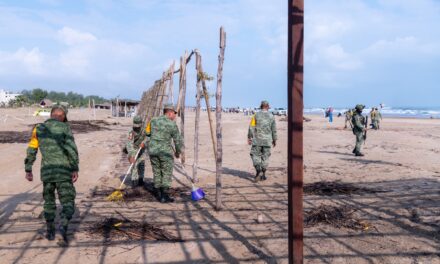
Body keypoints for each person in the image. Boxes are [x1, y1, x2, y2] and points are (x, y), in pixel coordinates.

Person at [24, 104, 79, 244]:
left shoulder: (38, 128)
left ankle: (50, 232)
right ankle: (63, 228)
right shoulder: (65, 128)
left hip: (47, 173)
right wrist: (74, 168)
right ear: (62, 116)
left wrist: (28, 169)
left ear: (51, 115)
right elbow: (72, 150)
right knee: (67, 202)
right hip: (63, 173)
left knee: (48, 202)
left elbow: (32, 149)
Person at [146, 103, 182, 203]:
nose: (175, 116)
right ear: (170, 113)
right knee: (166, 173)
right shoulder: (172, 124)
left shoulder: (153, 120)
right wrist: (178, 152)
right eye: (174, 113)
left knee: (157, 172)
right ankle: (163, 196)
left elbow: (147, 133)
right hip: (165, 152)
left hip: (152, 150)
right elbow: (178, 141)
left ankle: (157, 193)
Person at [248, 100, 277, 182]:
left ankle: (258, 170)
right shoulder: (271, 116)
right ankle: (263, 173)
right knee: (266, 157)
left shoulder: (256, 115)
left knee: (254, 155)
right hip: (267, 141)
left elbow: (251, 127)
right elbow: (274, 129)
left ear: (261, 106)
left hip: (257, 140)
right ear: (267, 106)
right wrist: (274, 139)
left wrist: (249, 137)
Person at [126, 115, 147, 188]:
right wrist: (131, 155)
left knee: (141, 164)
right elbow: (129, 144)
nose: (137, 127)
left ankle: (141, 180)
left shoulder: (145, 129)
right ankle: (134, 182)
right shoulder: (131, 131)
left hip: (142, 148)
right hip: (134, 148)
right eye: (136, 126)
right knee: (134, 164)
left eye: (138, 126)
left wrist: (144, 142)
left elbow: (148, 137)